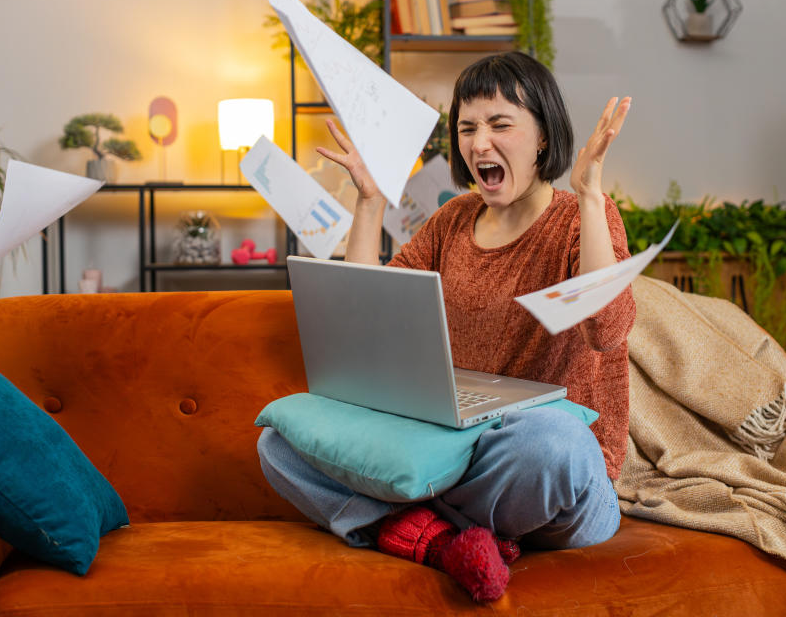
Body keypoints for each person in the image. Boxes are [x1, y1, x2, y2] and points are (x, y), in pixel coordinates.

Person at [257, 51, 635, 602]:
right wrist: (368, 205)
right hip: (450, 453)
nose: (480, 142)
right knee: (279, 444)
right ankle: (447, 542)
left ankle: (405, 525)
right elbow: (370, 317)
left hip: (545, 478)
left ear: (543, 139)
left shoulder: (582, 218)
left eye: (500, 124)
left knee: (556, 444)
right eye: (467, 127)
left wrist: (591, 192)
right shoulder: (452, 220)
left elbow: (606, 328)